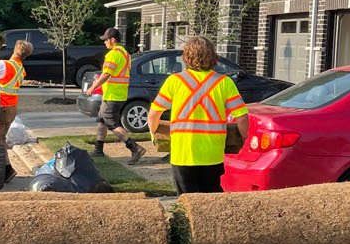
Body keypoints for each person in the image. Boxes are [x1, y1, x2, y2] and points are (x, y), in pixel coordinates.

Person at [147, 35, 249, 194]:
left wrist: (154, 133)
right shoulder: (224, 82)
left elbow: (154, 114)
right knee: (210, 202)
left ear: (186, 57)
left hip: (183, 152)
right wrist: (243, 137)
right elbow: (242, 116)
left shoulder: (174, 81)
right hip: (212, 154)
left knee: (186, 203)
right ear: (213, 56)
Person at [90, 26, 145, 164]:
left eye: (106, 40)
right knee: (102, 120)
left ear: (113, 40)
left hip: (113, 95)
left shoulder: (113, 54)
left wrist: (93, 87)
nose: (104, 42)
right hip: (118, 94)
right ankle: (98, 149)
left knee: (111, 123)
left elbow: (107, 73)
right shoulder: (126, 54)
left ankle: (134, 147)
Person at [0, 38, 33, 130]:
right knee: (2, 136)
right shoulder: (21, 69)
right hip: (11, 108)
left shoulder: (3, 64)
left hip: (1, 107)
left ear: (15, 49)